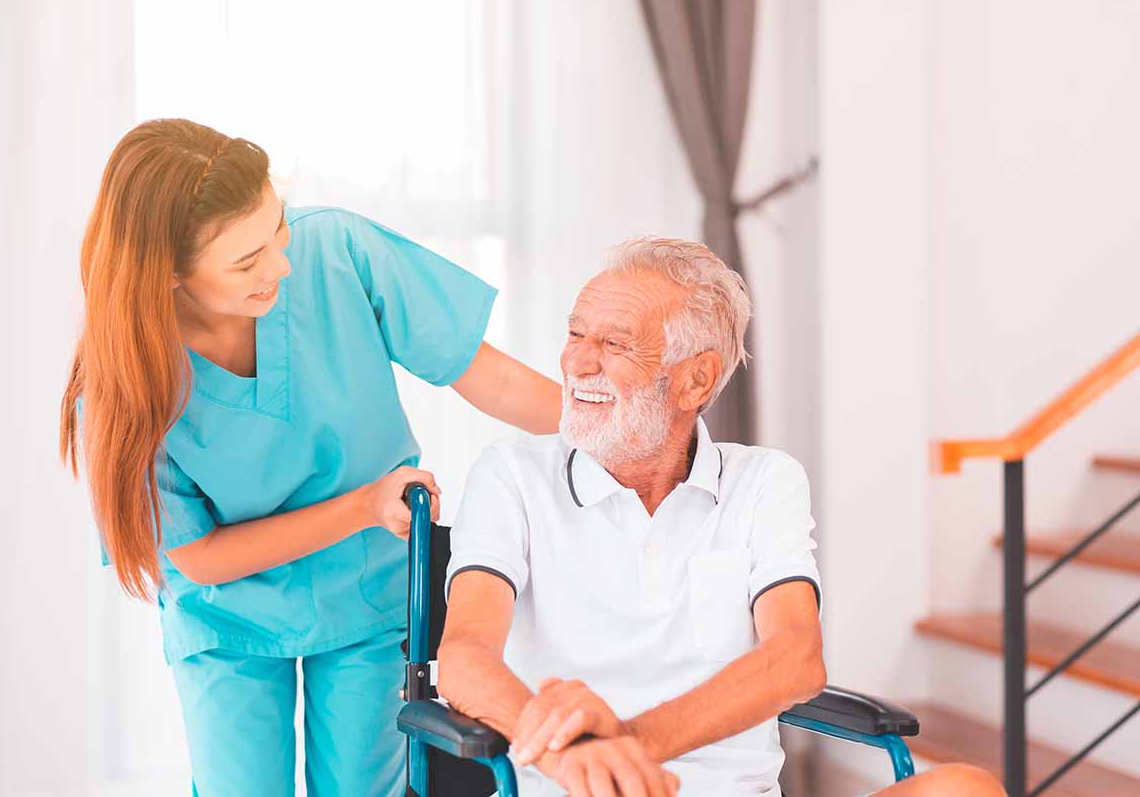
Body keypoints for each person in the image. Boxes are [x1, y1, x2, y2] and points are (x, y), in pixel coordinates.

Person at [59, 118, 562, 797]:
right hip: (226, 614)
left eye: (278, 228)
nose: (281, 267)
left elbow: (489, 376)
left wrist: (620, 427)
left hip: (363, 593)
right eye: (246, 262)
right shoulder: (125, 384)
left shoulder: (339, 251)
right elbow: (200, 555)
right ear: (169, 274)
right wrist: (363, 504)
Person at [438, 238, 1005, 797]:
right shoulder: (511, 475)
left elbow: (796, 659)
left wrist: (626, 745)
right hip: (569, 791)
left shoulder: (764, 481)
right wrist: (576, 760)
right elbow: (464, 658)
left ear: (696, 380)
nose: (577, 362)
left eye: (614, 343)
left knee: (964, 789)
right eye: (575, 333)